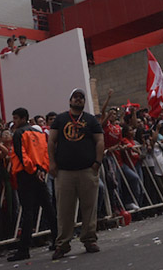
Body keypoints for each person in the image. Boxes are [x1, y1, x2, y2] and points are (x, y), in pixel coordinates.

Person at [48, 89, 103, 259]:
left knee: (89, 207)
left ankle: (89, 239)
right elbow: (51, 141)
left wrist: (97, 163)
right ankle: (62, 244)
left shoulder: (91, 120)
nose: (78, 100)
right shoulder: (61, 119)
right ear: (70, 100)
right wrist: (52, 163)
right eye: (75, 97)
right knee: (64, 210)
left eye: (81, 98)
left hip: (87, 170)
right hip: (65, 172)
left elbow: (100, 140)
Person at [6, 107, 57, 262]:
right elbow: (45, 153)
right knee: (48, 208)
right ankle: (58, 239)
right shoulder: (40, 133)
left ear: (23, 118)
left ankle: (24, 249)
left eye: (15, 118)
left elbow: (22, 155)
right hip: (39, 174)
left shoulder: (19, 134)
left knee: (28, 212)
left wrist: (33, 170)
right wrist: (42, 169)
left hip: (26, 175)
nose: (14, 122)